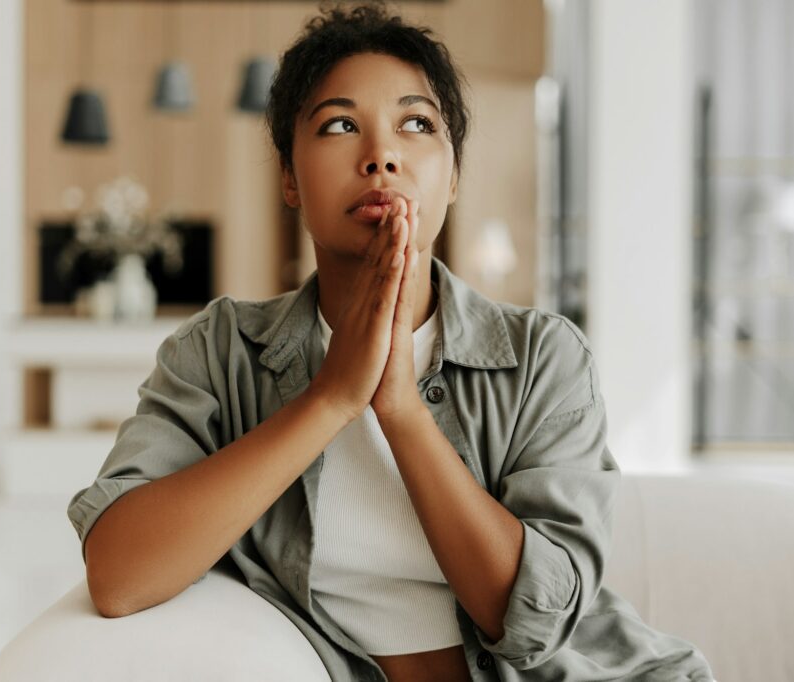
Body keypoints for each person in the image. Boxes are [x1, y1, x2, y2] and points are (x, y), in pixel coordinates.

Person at [67, 2, 716, 680]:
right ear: (290, 177)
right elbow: (118, 575)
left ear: (454, 175)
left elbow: (538, 623)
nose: (381, 156)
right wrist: (330, 400)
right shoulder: (218, 352)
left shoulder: (543, 359)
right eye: (340, 125)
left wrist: (400, 410)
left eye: (417, 124)